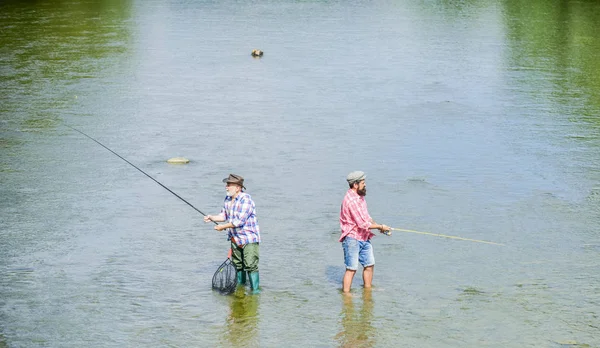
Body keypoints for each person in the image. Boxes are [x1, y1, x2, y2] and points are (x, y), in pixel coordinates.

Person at [204, 174, 261, 294]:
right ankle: (241, 288)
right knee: (238, 265)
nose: (226, 187)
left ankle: (255, 292)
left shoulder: (246, 200)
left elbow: (239, 221)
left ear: (238, 187)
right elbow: (223, 216)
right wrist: (211, 217)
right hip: (235, 239)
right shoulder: (228, 199)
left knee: (250, 265)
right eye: (227, 184)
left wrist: (223, 227)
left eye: (229, 185)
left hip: (248, 239)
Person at [339, 171, 390, 293]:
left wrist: (379, 227)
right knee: (351, 269)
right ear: (355, 185)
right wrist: (381, 226)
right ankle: (346, 296)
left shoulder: (360, 197)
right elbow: (362, 224)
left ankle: (367, 290)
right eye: (363, 183)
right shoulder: (351, 201)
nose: (365, 184)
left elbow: (367, 218)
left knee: (369, 265)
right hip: (352, 238)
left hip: (364, 237)